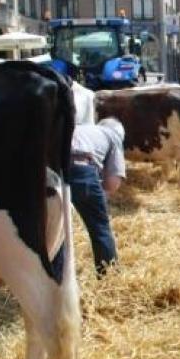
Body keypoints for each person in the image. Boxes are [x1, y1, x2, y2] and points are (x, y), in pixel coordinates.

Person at [66, 118, 126, 277]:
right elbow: (112, 183)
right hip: (80, 171)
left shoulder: (85, 129)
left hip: (47, 169)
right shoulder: (113, 136)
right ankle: (109, 276)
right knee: (100, 228)